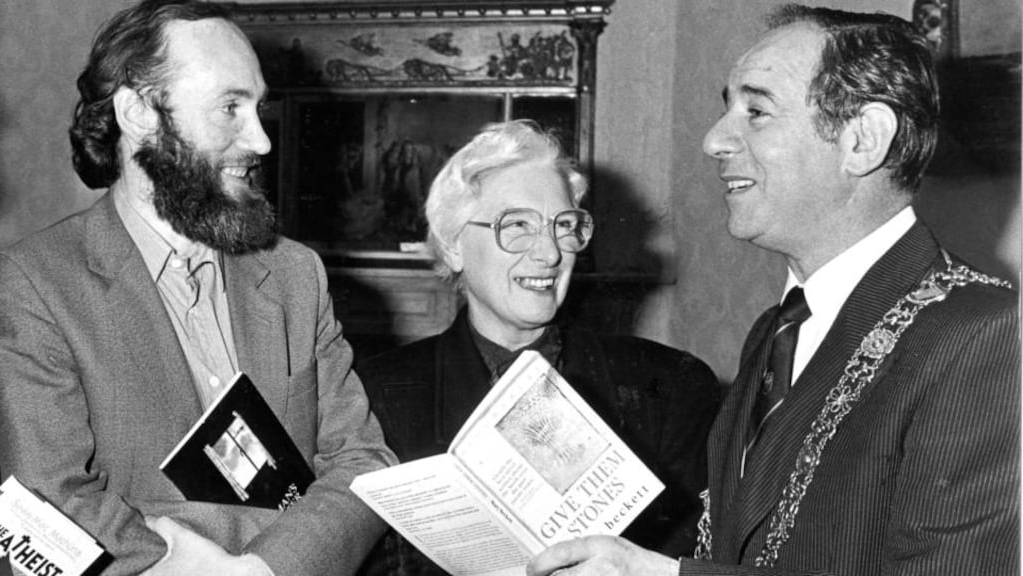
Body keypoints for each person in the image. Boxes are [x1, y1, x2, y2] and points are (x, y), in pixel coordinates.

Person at [528, 5, 1019, 576]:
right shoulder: (777, 329)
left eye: (757, 111)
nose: (714, 140)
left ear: (863, 141)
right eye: (726, 108)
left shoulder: (986, 335)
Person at [0, 1, 397, 575]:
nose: (261, 140)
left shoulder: (294, 275)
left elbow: (363, 463)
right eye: (230, 108)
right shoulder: (34, 284)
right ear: (139, 112)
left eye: (259, 108)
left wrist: (264, 567)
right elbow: (45, 506)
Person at [356, 120, 721, 575]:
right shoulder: (376, 397)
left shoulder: (671, 386)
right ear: (452, 246)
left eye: (563, 225)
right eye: (518, 225)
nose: (549, 253)